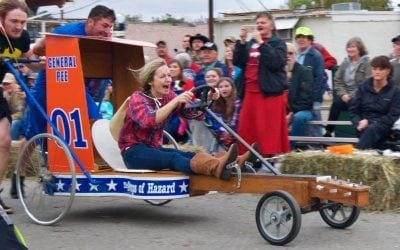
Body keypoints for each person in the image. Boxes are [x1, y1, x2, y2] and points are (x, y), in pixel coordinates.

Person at [11, 5, 116, 199]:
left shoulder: (102, 38)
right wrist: (46, 58)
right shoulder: (66, 32)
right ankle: (20, 175)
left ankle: (79, 170)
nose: (107, 31)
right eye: (105, 26)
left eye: (110, 27)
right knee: (34, 134)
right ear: (90, 22)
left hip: (76, 85)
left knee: (95, 120)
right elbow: (38, 48)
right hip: (48, 84)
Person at [118, 58, 240, 180]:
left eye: (169, 76)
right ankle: (216, 168)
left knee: (189, 154)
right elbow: (149, 120)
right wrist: (176, 100)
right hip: (133, 153)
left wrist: (208, 100)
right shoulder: (137, 98)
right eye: (162, 77)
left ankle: (235, 162)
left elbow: (190, 114)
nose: (168, 80)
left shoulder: (168, 96)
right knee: (174, 158)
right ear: (150, 81)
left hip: (153, 149)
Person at [233, 12, 290, 155]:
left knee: (267, 131)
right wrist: (241, 42)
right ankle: (248, 157)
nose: (259, 25)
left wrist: (262, 44)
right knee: (246, 128)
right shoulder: (251, 43)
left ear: (271, 25)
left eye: (263, 22)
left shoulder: (278, 43)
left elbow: (276, 63)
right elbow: (239, 62)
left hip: (268, 93)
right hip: (250, 91)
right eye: (257, 23)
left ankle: (269, 157)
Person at [0, 0, 37, 214]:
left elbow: (30, 58)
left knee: (5, 142)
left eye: (22, 22)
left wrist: (37, 63)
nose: (19, 26)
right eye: (14, 21)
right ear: (2, 19)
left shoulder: (22, 38)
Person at [349, 56, 400, 149]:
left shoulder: (395, 91)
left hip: (384, 127)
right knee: (368, 131)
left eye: (381, 69)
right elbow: (354, 110)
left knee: (372, 129)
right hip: (363, 126)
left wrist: (370, 122)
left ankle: (357, 153)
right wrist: (358, 122)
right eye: (374, 69)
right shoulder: (363, 88)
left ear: (388, 71)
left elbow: (393, 116)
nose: (377, 72)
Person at [324, 37, 371, 137]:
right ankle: (328, 132)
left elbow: (366, 83)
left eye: (353, 47)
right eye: (348, 47)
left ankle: (360, 136)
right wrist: (343, 94)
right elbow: (337, 79)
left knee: (354, 107)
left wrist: (351, 95)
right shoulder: (345, 63)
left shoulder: (367, 63)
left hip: (360, 97)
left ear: (360, 48)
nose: (350, 49)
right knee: (336, 105)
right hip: (346, 96)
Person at [294, 26, 325, 137]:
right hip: (298, 97)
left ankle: (318, 145)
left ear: (310, 39)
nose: (301, 40)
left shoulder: (316, 56)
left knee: (315, 123)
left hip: (312, 97)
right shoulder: (295, 55)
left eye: (304, 37)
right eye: (298, 37)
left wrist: (314, 100)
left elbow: (319, 79)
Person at [285, 43, 313, 149]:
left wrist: (291, 113)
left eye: (290, 53)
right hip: (284, 111)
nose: (287, 56)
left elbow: (306, 100)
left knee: (299, 117)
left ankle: (289, 150)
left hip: (302, 110)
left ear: (295, 55)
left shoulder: (304, 72)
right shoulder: (278, 73)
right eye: (284, 53)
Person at [207, 77, 241, 148]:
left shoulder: (237, 102)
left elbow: (234, 125)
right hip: (222, 133)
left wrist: (224, 131)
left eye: (226, 86)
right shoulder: (217, 103)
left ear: (232, 88)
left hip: (235, 134)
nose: (224, 89)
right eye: (220, 87)